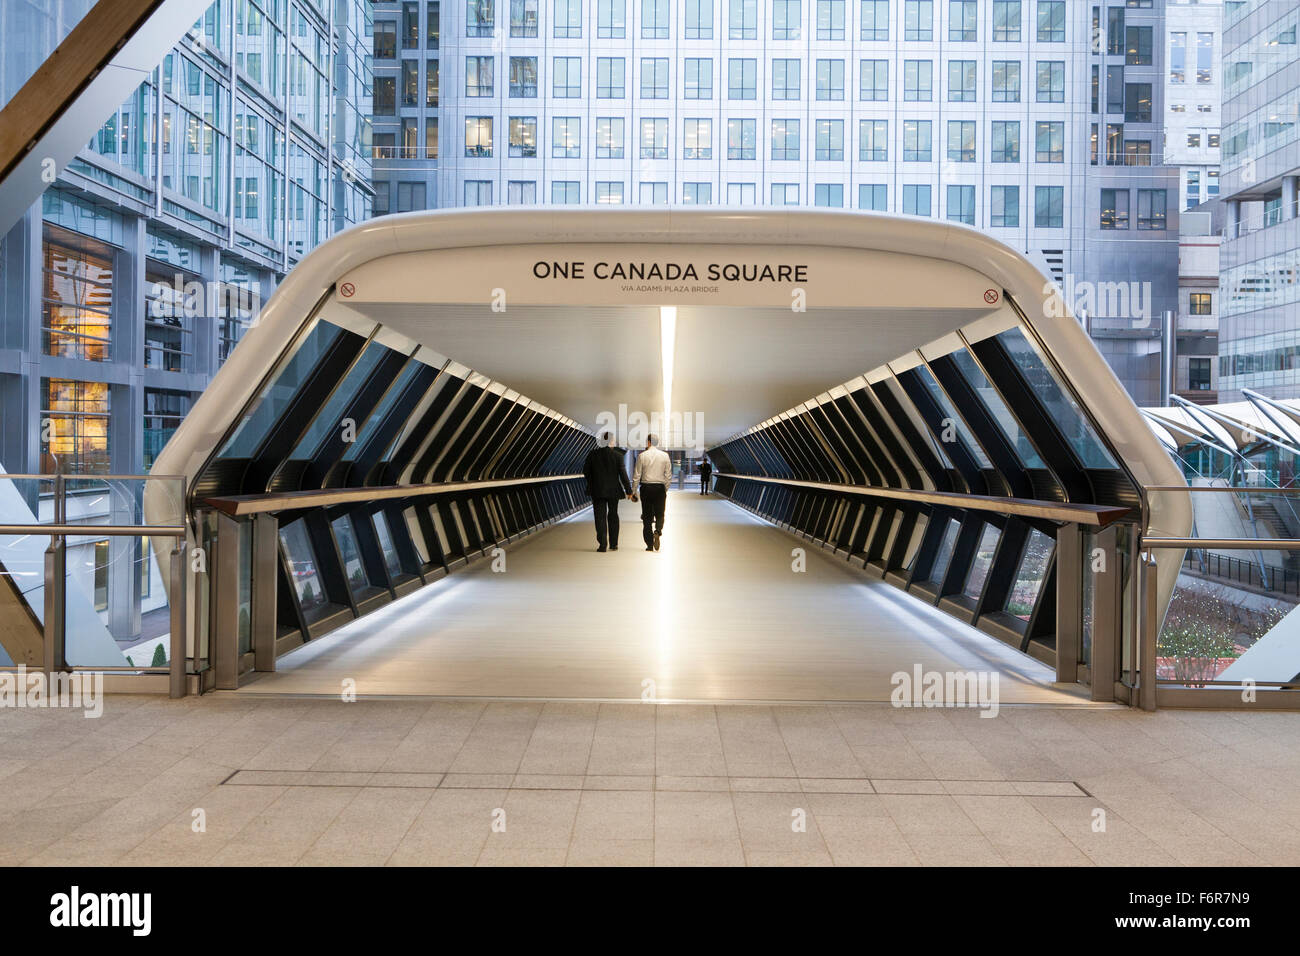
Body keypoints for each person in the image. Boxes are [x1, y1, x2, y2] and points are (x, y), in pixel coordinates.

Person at [582, 432, 633, 552]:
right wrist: (628, 490)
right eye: (614, 440)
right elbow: (623, 475)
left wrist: (592, 482)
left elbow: (586, 471)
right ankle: (614, 544)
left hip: (597, 490)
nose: (615, 442)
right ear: (610, 441)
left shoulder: (592, 454)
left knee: (599, 517)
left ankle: (602, 545)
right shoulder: (618, 456)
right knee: (613, 515)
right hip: (613, 491)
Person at [631, 433, 673, 551]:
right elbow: (668, 475)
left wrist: (634, 491)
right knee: (660, 514)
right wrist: (665, 488)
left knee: (647, 517)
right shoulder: (665, 456)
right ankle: (658, 531)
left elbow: (637, 475)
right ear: (657, 443)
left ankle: (649, 545)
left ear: (648, 442)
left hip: (646, 488)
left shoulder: (642, 456)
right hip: (659, 488)